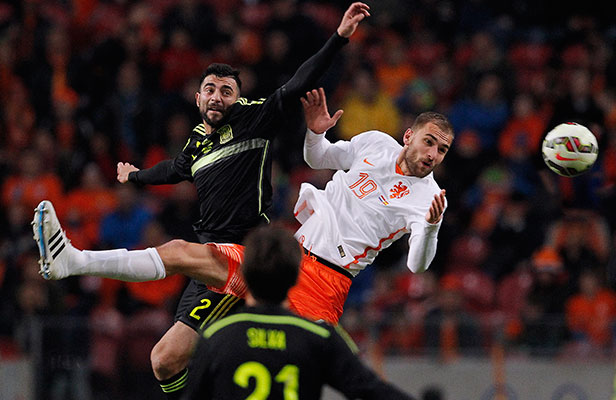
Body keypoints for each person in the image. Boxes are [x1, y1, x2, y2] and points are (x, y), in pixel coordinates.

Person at [36, 4, 371, 399]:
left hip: (247, 256)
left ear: (238, 98)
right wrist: (135, 176)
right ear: (198, 98)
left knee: (177, 250)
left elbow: (299, 82)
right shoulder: (197, 140)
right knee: (164, 359)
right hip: (210, 259)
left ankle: (73, 261)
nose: (217, 97)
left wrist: (339, 37)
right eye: (210, 89)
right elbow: (175, 169)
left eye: (227, 91)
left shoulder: (255, 118)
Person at [33, 86, 451, 387]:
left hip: (324, 284)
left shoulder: (429, 198)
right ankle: (72, 260)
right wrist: (316, 132)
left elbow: (417, 264)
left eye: (442, 150)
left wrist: (430, 227)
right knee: (176, 280)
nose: (433, 154)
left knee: (274, 375)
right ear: (409, 136)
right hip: (285, 256)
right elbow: (318, 157)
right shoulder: (374, 143)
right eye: (429, 142)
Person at [182, 225, 414, 400]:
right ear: (295, 277)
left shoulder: (216, 335)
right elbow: (370, 390)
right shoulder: (317, 336)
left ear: (246, 275)